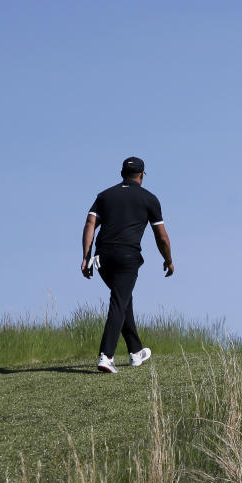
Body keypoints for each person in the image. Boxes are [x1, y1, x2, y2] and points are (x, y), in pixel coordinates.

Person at [81, 156, 174, 373]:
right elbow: (162, 238)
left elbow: (90, 223)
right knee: (119, 301)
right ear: (142, 175)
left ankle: (135, 352)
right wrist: (168, 260)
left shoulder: (104, 196)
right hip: (127, 257)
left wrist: (86, 257)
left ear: (121, 173)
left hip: (102, 258)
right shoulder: (149, 199)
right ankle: (106, 356)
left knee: (123, 299)